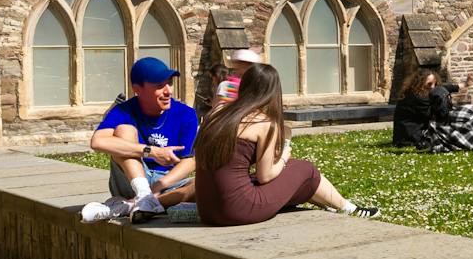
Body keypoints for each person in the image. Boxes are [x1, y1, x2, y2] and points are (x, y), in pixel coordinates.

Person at [194, 63, 376, 224]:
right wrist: (284, 154)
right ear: (273, 92)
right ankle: (349, 208)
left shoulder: (217, 114)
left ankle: (343, 206)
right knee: (306, 169)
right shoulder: (263, 122)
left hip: (207, 210)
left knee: (300, 177)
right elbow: (265, 176)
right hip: (237, 210)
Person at [79, 56, 199, 223]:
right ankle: (142, 194)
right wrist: (151, 151)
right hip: (131, 179)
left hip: (166, 183)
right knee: (124, 129)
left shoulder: (186, 114)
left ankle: (132, 205)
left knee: (204, 185)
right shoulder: (124, 111)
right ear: (137, 89)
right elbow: (98, 142)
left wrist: (157, 187)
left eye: (169, 83)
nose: (168, 91)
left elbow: (190, 160)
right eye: (159, 86)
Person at [392, 67, 473, 153]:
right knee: (460, 124)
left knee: (465, 120)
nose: (432, 88)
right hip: (413, 138)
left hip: (422, 134)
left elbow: (444, 89)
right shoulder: (416, 98)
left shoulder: (424, 94)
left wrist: (466, 84)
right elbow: (441, 114)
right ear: (419, 84)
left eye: (435, 84)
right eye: (429, 85)